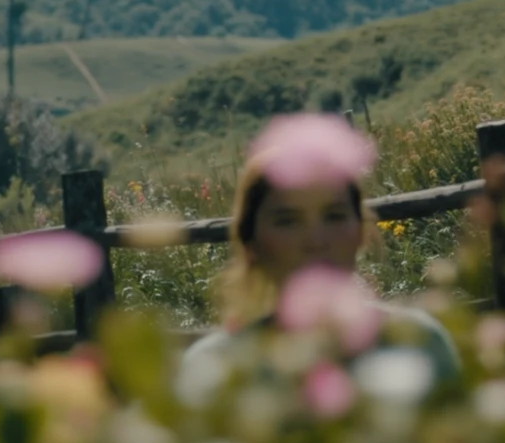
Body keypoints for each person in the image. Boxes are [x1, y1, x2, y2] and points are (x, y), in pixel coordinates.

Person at [178, 113, 462, 396]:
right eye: (288, 221)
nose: (316, 241)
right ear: (251, 242)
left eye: (334, 216)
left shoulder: (420, 345)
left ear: (360, 232)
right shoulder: (216, 371)